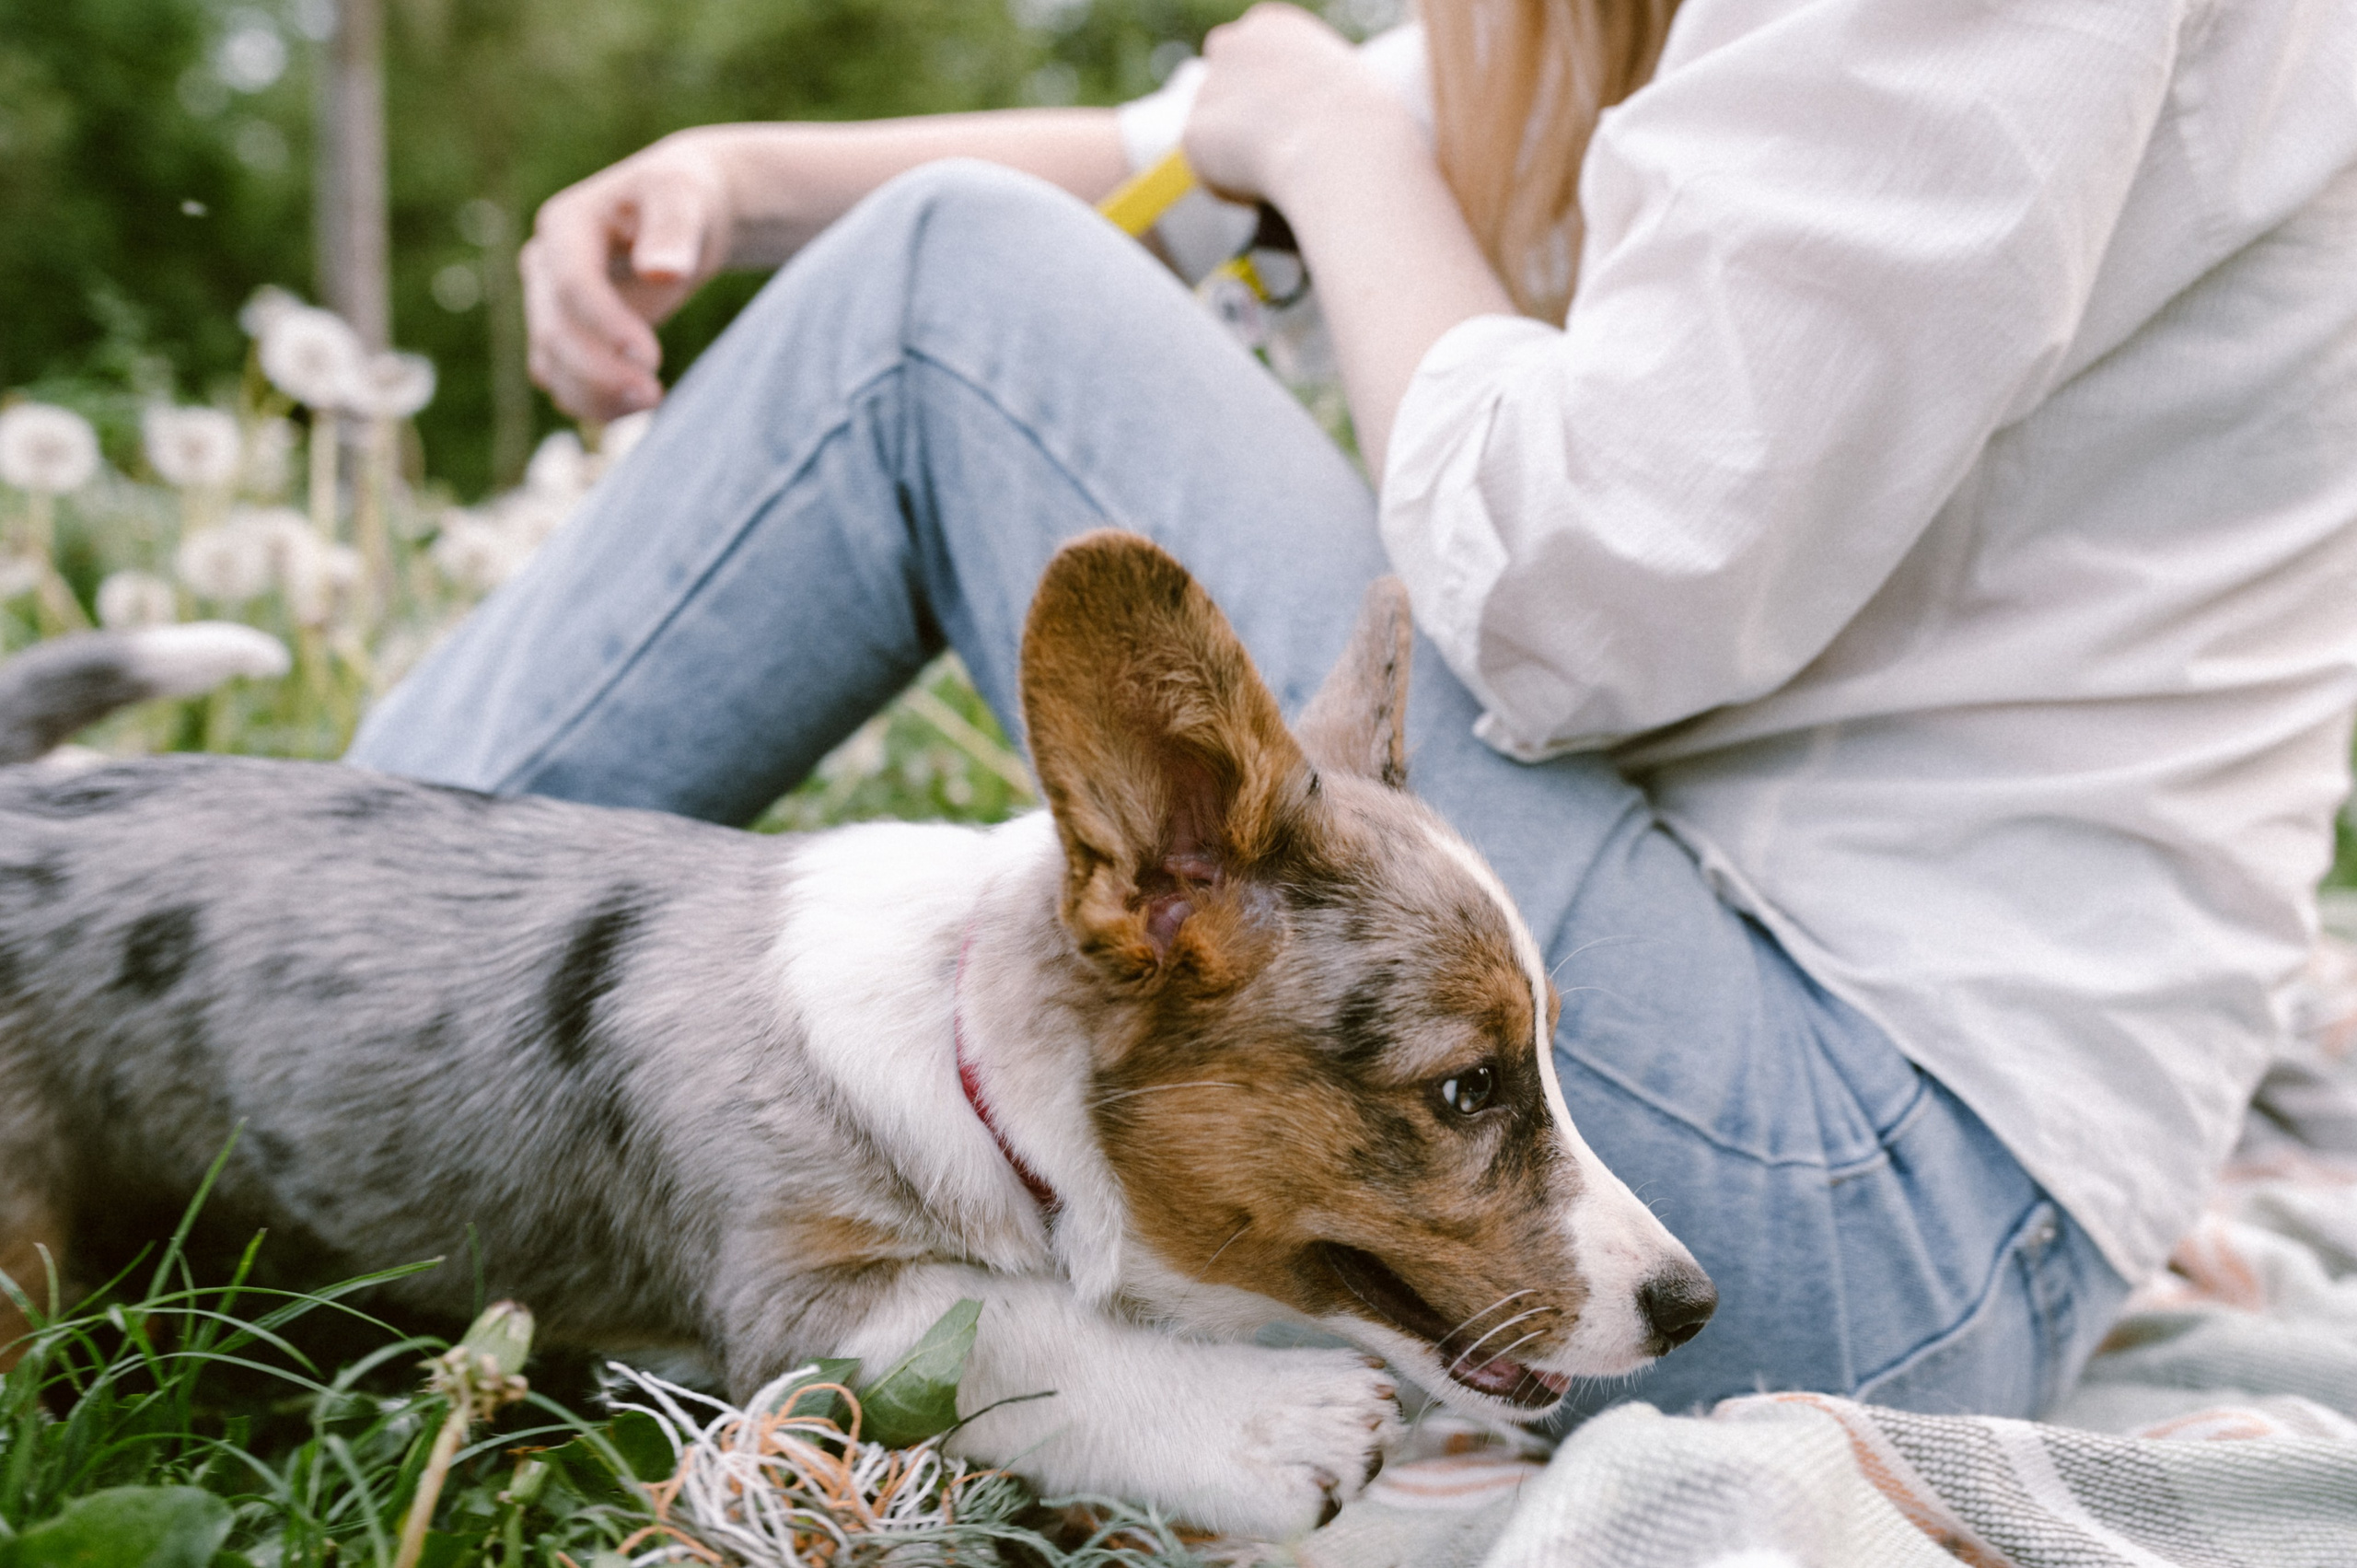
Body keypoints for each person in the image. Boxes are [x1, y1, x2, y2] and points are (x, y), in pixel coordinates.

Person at [347, 0, 2357, 1423]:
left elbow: (1591, 587)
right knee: (960, 251)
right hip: (1920, 1178)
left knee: (948, 303)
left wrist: (1321, 145)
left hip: (1822, 1192)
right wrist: (731, 171)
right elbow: (1242, 128)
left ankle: (198, 994)